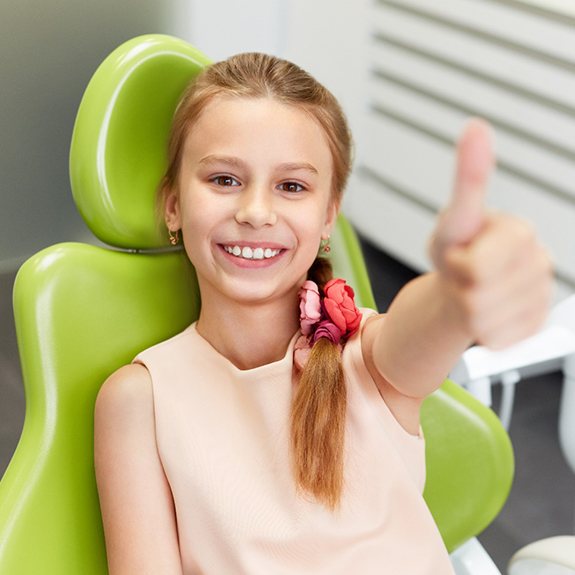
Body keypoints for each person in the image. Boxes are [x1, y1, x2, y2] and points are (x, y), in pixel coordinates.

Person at [94, 52, 552, 575]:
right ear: (173, 205)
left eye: (292, 186)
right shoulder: (140, 400)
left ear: (328, 215)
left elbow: (425, 327)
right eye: (224, 179)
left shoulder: (368, 355)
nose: (256, 212)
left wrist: (457, 295)